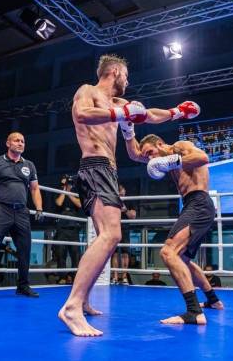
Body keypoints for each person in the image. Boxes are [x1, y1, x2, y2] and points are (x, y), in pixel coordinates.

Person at [58, 54, 201, 337]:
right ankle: (72, 307)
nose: (128, 80)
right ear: (114, 71)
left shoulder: (120, 105)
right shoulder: (88, 91)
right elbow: (82, 114)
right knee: (111, 235)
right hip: (94, 166)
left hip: (107, 171)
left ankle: (82, 300)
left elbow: (148, 119)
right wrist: (120, 114)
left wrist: (177, 112)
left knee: (105, 239)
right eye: (126, 75)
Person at [122, 132, 224, 326]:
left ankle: (194, 312)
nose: (150, 158)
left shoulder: (179, 147)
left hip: (199, 203)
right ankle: (213, 300)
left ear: (160, 144)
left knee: (168, 252)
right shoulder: (159, 159)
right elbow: (134, 155)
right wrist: (128, 130)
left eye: (151, 152)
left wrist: (172, 162)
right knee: (183, 258)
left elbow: (203, 157)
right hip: (192, 205)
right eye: (148, 155)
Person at [0, 132, 43, 301]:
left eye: (23, 141)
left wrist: (39, 208)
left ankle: (23, 286)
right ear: (8, 143)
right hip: (1, 210)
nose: (20, 143)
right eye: (16, 140)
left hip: (21, 212)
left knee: (25, 250)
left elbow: (35, 189)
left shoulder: (29, 165)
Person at [54, 174, 82, 277]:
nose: (66, 185)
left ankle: (75, 277)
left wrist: (69, 193)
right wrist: (64, 190)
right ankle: (62, 277)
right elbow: (59, 203)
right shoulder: (58, 192)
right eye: (63, 184)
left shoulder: (75, 193)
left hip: (74, 229)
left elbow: (79, 204)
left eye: (67, 183)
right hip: (62, 229)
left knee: (76, 255)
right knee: (61, 254)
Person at [111, 184, 136, 285]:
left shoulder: (129, 201)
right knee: (115, 253)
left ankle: (124, 277)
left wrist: (125, 210)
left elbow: (133, 216)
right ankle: (115, 277)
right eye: (120, 193)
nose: (122, 194)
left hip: (125, 228)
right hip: (114, 227)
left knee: (125, 253)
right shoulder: (113, 200)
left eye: (123, 192)